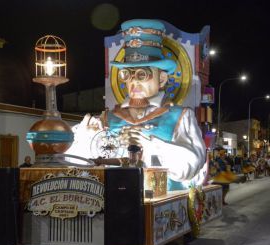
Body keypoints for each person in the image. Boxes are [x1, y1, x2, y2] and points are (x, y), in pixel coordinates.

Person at [67, 19, 206, 191]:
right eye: (128, 74)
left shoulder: (180, 116)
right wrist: (85, 139)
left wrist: (150, 144)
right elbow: (72, 162)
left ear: (161, 79)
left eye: (142, 74)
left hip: (161, 205)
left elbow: (193, 164)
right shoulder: (107, 119)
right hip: (115, 200)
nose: (134, 82)